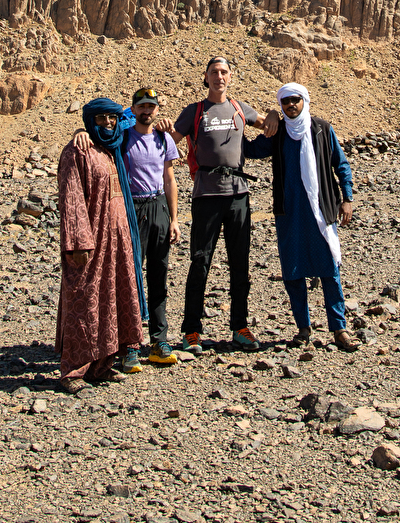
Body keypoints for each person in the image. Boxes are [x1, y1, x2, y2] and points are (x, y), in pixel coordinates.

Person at [163, 56, 276, 355]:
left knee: (240, 263)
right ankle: (191, 330)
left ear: (230, 77)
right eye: (214, 72)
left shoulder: (241, 108)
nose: (219, 77)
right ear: (206, 76)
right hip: (206, 197)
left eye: (224, 72)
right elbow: (169, 143)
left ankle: (240, 326)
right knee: (200, 262)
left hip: (238, 194)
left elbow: (269, 126)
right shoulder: (194, 111)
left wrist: (275, 113)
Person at [244, 82, 360, 351]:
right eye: (285, 102)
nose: (291, 105)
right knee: (293, 272)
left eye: (295, 100)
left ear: (305, 101)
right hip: (289, 213)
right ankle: (303, 328)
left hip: (321, 211)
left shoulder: (322, 129)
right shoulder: (279, 132)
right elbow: (250, 150)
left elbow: (340, 164)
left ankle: (339, 327)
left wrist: (347, 198)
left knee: (329, 269)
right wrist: (259, 119)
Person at [73, 86, 181, 365]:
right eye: (141, 107)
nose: (147, 111)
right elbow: (101, 134)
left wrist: (175, 219)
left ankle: (159, 340)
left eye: (151, 107)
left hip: (158, 207)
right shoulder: (122, 137)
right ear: (133, 110)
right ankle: (130, 343)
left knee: (159, 274)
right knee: (129, 275)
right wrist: (80, 132)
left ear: (157, 109)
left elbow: (169, 179)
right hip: (131, 209)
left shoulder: (163, 138)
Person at [56, 98, 146, 391]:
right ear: (90, 122)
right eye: (101, 119)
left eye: (111, 119)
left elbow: (134, 115)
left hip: (118, 240)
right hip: (91, 242)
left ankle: (101, 365)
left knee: (112, 299)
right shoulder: (76, 151)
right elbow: (71, 198)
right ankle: (74, 370)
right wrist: (79, 242)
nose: (108, 124)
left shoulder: (112, 147)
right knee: (84, 302)